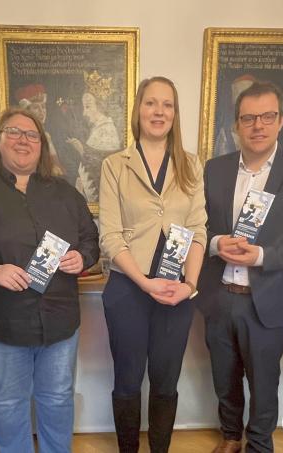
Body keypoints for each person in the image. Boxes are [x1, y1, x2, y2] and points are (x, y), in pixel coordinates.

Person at [0, 108, 99, 453]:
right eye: (14, 132)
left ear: (42, 146)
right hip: (1, 321)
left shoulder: (66, 194)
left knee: (57, 399)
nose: (23, 140)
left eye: (32, 135)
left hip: (59, 320)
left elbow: (90, 241)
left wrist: (82, 257)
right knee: (9, 403)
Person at [196, 81, 283, 453]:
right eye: (249, 118)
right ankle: (230, 436)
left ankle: (258, 443)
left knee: (263, 379)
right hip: (219, 295)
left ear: (281, 120)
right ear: (237, 125)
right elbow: (198, 225)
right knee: (224, 376)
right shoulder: (215, 169)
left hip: (268, 297)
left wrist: (263, 256)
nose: (258, 125)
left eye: (267, 116)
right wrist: (214, 243)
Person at [99, 76, 208, 453]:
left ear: (175, 114)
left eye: (167, 105)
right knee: (128, 382)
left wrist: (190, 285)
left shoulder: (191, 165)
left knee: (166, 382)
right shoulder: (115, 165)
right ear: (138, 110)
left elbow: (197, 230)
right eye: (151, 103)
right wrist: (145, 283)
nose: (159, 111)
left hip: (177, 292)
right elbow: (110, 236)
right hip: (129, 289)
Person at [68, 70, 123, 202]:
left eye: (88, 107)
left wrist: (82, 150)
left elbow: (104, 165)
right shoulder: (97, 129)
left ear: (101, 106)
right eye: (83, 107)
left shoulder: (107, 130)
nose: (84, 113)